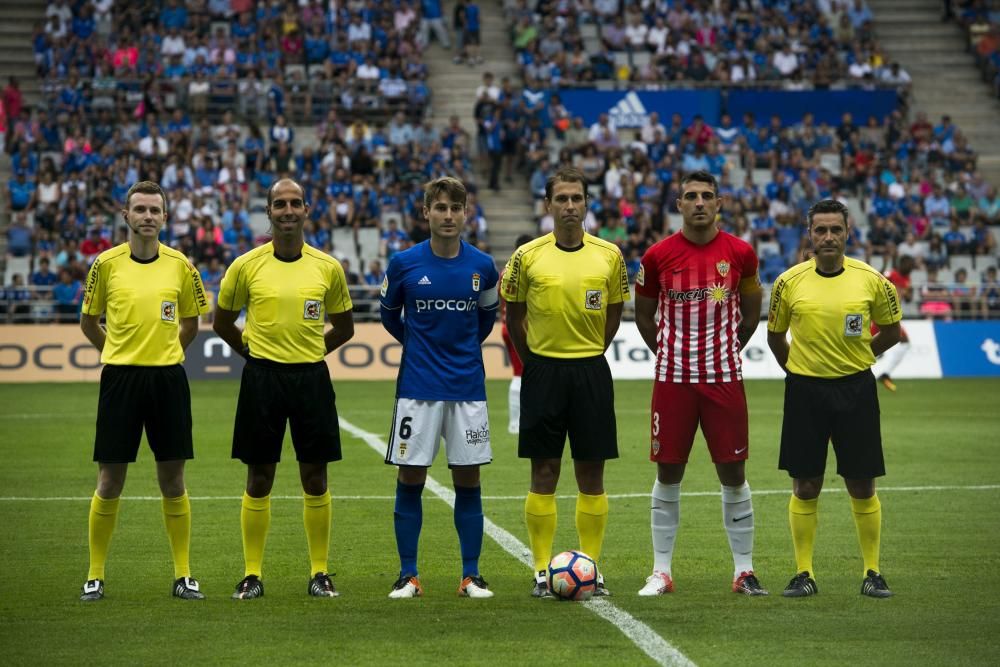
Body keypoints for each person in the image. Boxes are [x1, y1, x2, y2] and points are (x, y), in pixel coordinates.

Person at [213, 178, 355, 600]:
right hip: (262, 378)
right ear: (269, 211)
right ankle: (252, 574)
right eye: (280, 204)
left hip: (311, 378)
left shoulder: (327, 267)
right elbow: (221, 322)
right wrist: (255, 354)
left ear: (307, 209)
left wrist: (310, 351)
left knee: (315, 476)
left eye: (295, 203)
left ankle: (320, 573)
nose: (288, 210)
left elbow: (345, 327)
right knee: (259, 476)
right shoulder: (245, 265)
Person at [633, 171, 767, 597]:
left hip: (724, 378)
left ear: (719, 202)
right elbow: (642, 316)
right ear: (679, 204)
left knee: (733, 472)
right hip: (673, 381)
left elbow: (749, 315)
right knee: (669, 471)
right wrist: (672, 355)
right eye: (690, 196)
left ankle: (744, 571)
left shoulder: (741, 253)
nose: (699, 203)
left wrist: (724, 350)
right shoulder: (657, 256)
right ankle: (661, 572)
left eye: (707, 196)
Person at [78, 180, 211, 601]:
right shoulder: (105, 264)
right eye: (140, 210)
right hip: (120, 379)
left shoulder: (181, 265)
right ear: (126, 216)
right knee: (109, 478)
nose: (148, 217)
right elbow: (88, 321)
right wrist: (117, 351)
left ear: (166, 217)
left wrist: (168, 351)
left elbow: (192, 322)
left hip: (168, 380)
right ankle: (95, 575)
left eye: (155, 210)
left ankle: (183, 574)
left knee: (172, 479)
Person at [500, 166, 629, 598]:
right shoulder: (527, 256)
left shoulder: (609, 255)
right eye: (562, 199)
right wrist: (532, 357)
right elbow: (513, 314)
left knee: (591, 472)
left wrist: (594, 347)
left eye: (577, 198)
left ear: (587, 204)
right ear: (548, 205)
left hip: (591, 369)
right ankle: (541, 569)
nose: (570, 206)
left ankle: (590, 566)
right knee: (545, 470)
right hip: (543, 371)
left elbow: (614, 312)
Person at [767, 199, 901, 599]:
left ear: (848, 232)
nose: (828, 237)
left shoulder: (871, 280)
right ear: (809, 234)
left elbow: (892, 331)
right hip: (805, 391)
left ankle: (873, 572)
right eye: (820, 230)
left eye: (835, 230)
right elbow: (775, 337)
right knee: (805, 484)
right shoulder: (789, 282)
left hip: (856, 389)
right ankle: (803, 573)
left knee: (862, 482)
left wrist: (862, 356)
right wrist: (796, 370)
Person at [380, 177, 500, 599]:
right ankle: (408, 575)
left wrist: (458, 350)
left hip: (467, 388)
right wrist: (421, 348)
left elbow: (486, 321)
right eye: (440, 208)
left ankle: (471, 575)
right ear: (426, 212)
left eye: (455, 208)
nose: (448, 216)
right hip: (418, 387)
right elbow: (391, 317)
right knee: (411, 477)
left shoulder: (483, 266)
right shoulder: (403, 264)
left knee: (468, 481)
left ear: (465, 213)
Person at [500, 233, 534, 435]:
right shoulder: (524, 270)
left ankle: (519, 420)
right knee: (521, 374)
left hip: (507, 324)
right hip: (522, 326)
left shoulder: (506, 270)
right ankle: (515, 423)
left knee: (521, 372)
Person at [872, 255, 914, 391]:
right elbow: (876, 279)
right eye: (908, 265)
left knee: (904, 342)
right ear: (901, 264)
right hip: (880, 315)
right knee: (867, 346)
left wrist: (908, 294)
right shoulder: (892, 274)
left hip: (892, 316)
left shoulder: (907, 279)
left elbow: (908, 299)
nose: (910, 269)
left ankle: (885, 373)